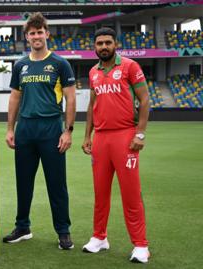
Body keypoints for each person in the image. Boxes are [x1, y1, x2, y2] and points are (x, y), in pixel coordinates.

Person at [3, 12, 76, 250]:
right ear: (27, 36)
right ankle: (22, 227)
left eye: (39, 32)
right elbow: (14, 98)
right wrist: (10, 128)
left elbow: (71, 98)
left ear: (47, 34)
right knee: (23, 182)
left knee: (57, 183)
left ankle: (63, 231)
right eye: (32, 33)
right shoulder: (21, 65)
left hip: (51, 128)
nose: (36, 36)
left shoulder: (60, 63)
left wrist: (68, 131)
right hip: (25, 129)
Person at [81, 27, 151, 263]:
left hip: (125, 136)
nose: (103, 47)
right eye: (99, 43)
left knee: (131, 194)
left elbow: (144, 99)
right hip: (101, 138)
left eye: (107, 43)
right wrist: (87, 136)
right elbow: (92, 105)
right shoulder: (93, 72)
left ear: (115, 44)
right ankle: (99, 237)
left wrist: (140, 134)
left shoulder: (130, 67)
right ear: (95, 47)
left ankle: (141, 245)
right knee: (101, 193)